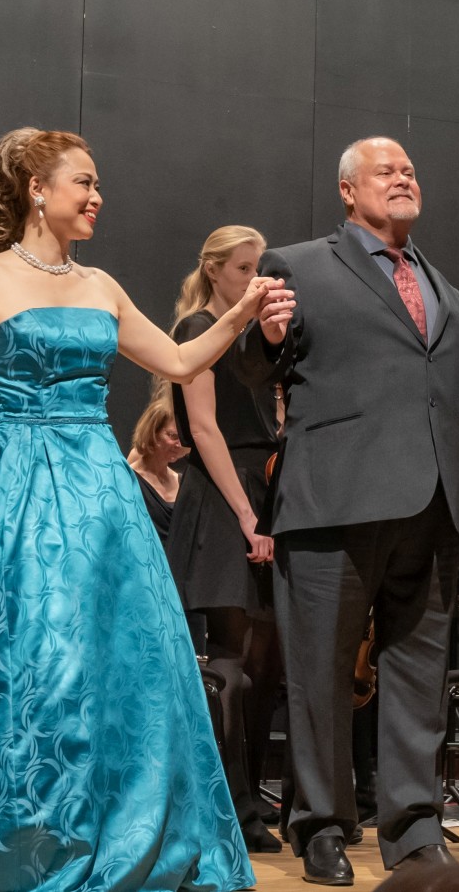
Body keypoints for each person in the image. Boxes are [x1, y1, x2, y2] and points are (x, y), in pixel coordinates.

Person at [0, 128, 282, 892]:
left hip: (95, 488)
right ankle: (15, 831)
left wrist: (240, 312)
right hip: (11, 482)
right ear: (38, 189)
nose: (97, 196)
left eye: (98, 183)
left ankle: (105, 825)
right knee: (18, 656)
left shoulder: (102, 285)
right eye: (85, 181)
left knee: (104, 655)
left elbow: (179, 361)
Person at [234, 136, 459, 883]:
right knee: (320, 676)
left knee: (418, 678)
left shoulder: (441, 286)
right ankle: (321, 824)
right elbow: (253, 364)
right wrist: (268, 333)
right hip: (333, 502)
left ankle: (415, 828)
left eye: (411, 170)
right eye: (386, 170)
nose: (403, 177)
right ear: (347, 191)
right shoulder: (298, 265)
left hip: (432, 506)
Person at [166, 225, 285, 853]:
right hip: (224, 495)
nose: (255, 278)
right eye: (244, 268)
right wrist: (245, 514)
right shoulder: (197, 329)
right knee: (232, 664)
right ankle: (232, 809)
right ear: (214, 270)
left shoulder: (255, 338)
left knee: (266, 665)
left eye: (260, 267)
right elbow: (205, 429)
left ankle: (252, 799)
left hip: (262, 485)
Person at [129, 386, 187, 542]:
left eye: (182, 438)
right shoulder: (128, 479)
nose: (179, 444)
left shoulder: (182, 481)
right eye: (172, 436)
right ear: (152, 431)